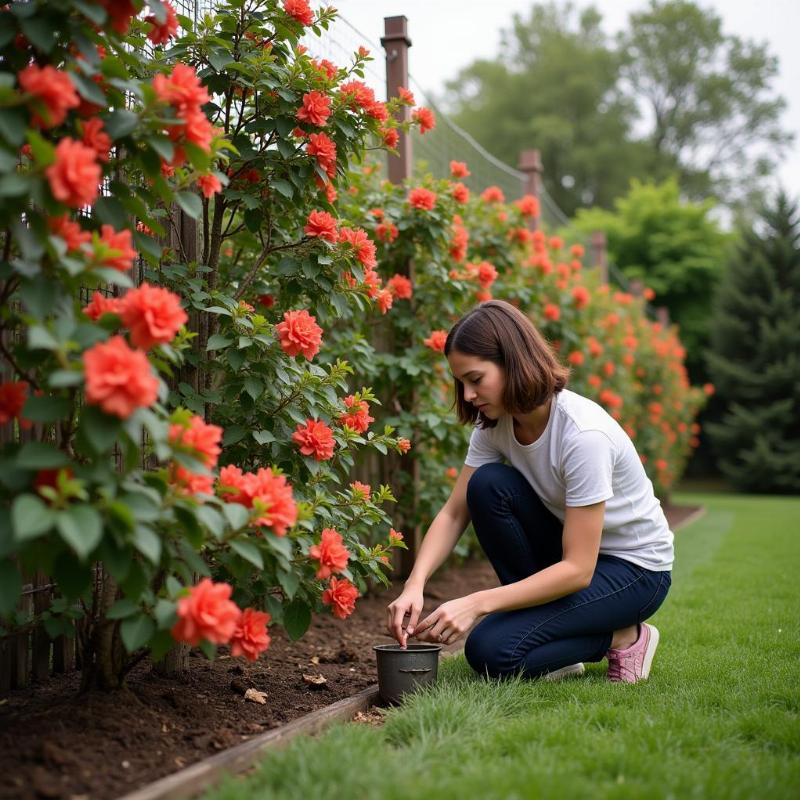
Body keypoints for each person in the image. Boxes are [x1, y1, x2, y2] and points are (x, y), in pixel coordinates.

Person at [386, 300, 673, 683]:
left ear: (513, 362)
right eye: (462, 383)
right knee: (488, 486)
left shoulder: (583, 436)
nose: (468, 395)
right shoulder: (495, 426)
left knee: (490, 652)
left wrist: (476, 604)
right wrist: (414, 585)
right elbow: (455, 512)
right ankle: (556, 637)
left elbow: (578, 569)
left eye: (475, 379)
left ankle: (625, 635)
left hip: (634, 572)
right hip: (574, 558)